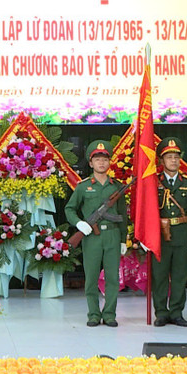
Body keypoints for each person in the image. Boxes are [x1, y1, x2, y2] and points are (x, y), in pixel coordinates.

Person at [64, 140, 128, 327]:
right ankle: (93, 313)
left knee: (112, 278)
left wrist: (123, 240)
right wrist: (79, 223)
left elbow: (122, 215)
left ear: (109, 162)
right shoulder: (83, 186)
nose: (101, 163)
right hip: (92, 237)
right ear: (91, 163)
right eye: (97, 159)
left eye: (105, 159)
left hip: (112, 235)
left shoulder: (116, 186)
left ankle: (109, 314)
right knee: (91, 277)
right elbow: (69, 209)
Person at [151, 137, 187, 328]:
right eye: (169, 157)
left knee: (180, 276)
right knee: (160, 276)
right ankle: (161, 313)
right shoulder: (153, 183)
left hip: (181, 233)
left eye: (176, 157)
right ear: (161, 160)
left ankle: (177, 312)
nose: (173, 160)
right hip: (159, 236)